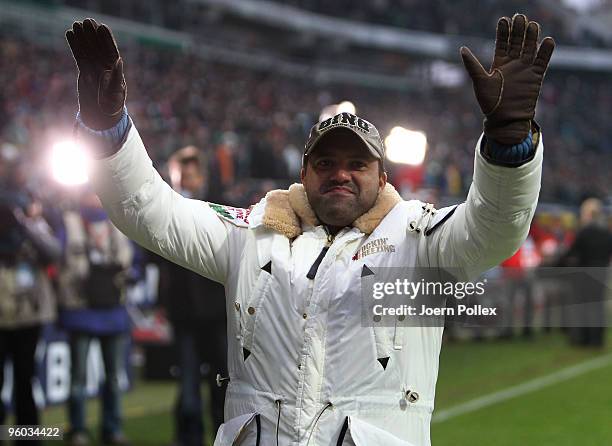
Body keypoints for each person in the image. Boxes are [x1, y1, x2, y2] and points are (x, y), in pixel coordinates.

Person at [65, 14, 554, 445]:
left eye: (356, 163)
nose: (339, 173)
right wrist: (109, 132)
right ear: (304, 174)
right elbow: (148, 209)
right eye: (325, 162)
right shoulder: (251, 234)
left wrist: (508, 146)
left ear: (381, 177)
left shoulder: (418, 238)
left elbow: (495, 227)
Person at [159, 147, 227, 446]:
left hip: (217, 315)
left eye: (192, 173)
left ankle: (221, 438)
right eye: (182, 174)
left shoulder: (220, 210)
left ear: (203, 175)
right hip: (184, 313)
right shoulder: (166, 213)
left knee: (222, 385)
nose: (188, 180)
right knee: (188, 389)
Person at [57, 189, 133, 446]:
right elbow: (55, 256)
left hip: (111, 308)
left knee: (112, 378)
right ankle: (77, 429)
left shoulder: (117, 219)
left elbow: (136, 259)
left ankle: (111, 429)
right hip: (80, 308)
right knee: (77, 378)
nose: (92, 195)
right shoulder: (68, 220)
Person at [0, 158, 61, 444]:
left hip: (28, 311)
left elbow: (52, 251)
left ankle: (28, 438)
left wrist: (26, 221)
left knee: (26, 379)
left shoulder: (33, 211)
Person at [559, 198, 612, 347]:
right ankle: (597, 340)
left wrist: (556, 264)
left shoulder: (584, 232)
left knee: (583, 306)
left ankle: (583, 339)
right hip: (601, 273)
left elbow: (571, 252)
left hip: (585, 273)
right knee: (598, 307)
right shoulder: (606, 232)